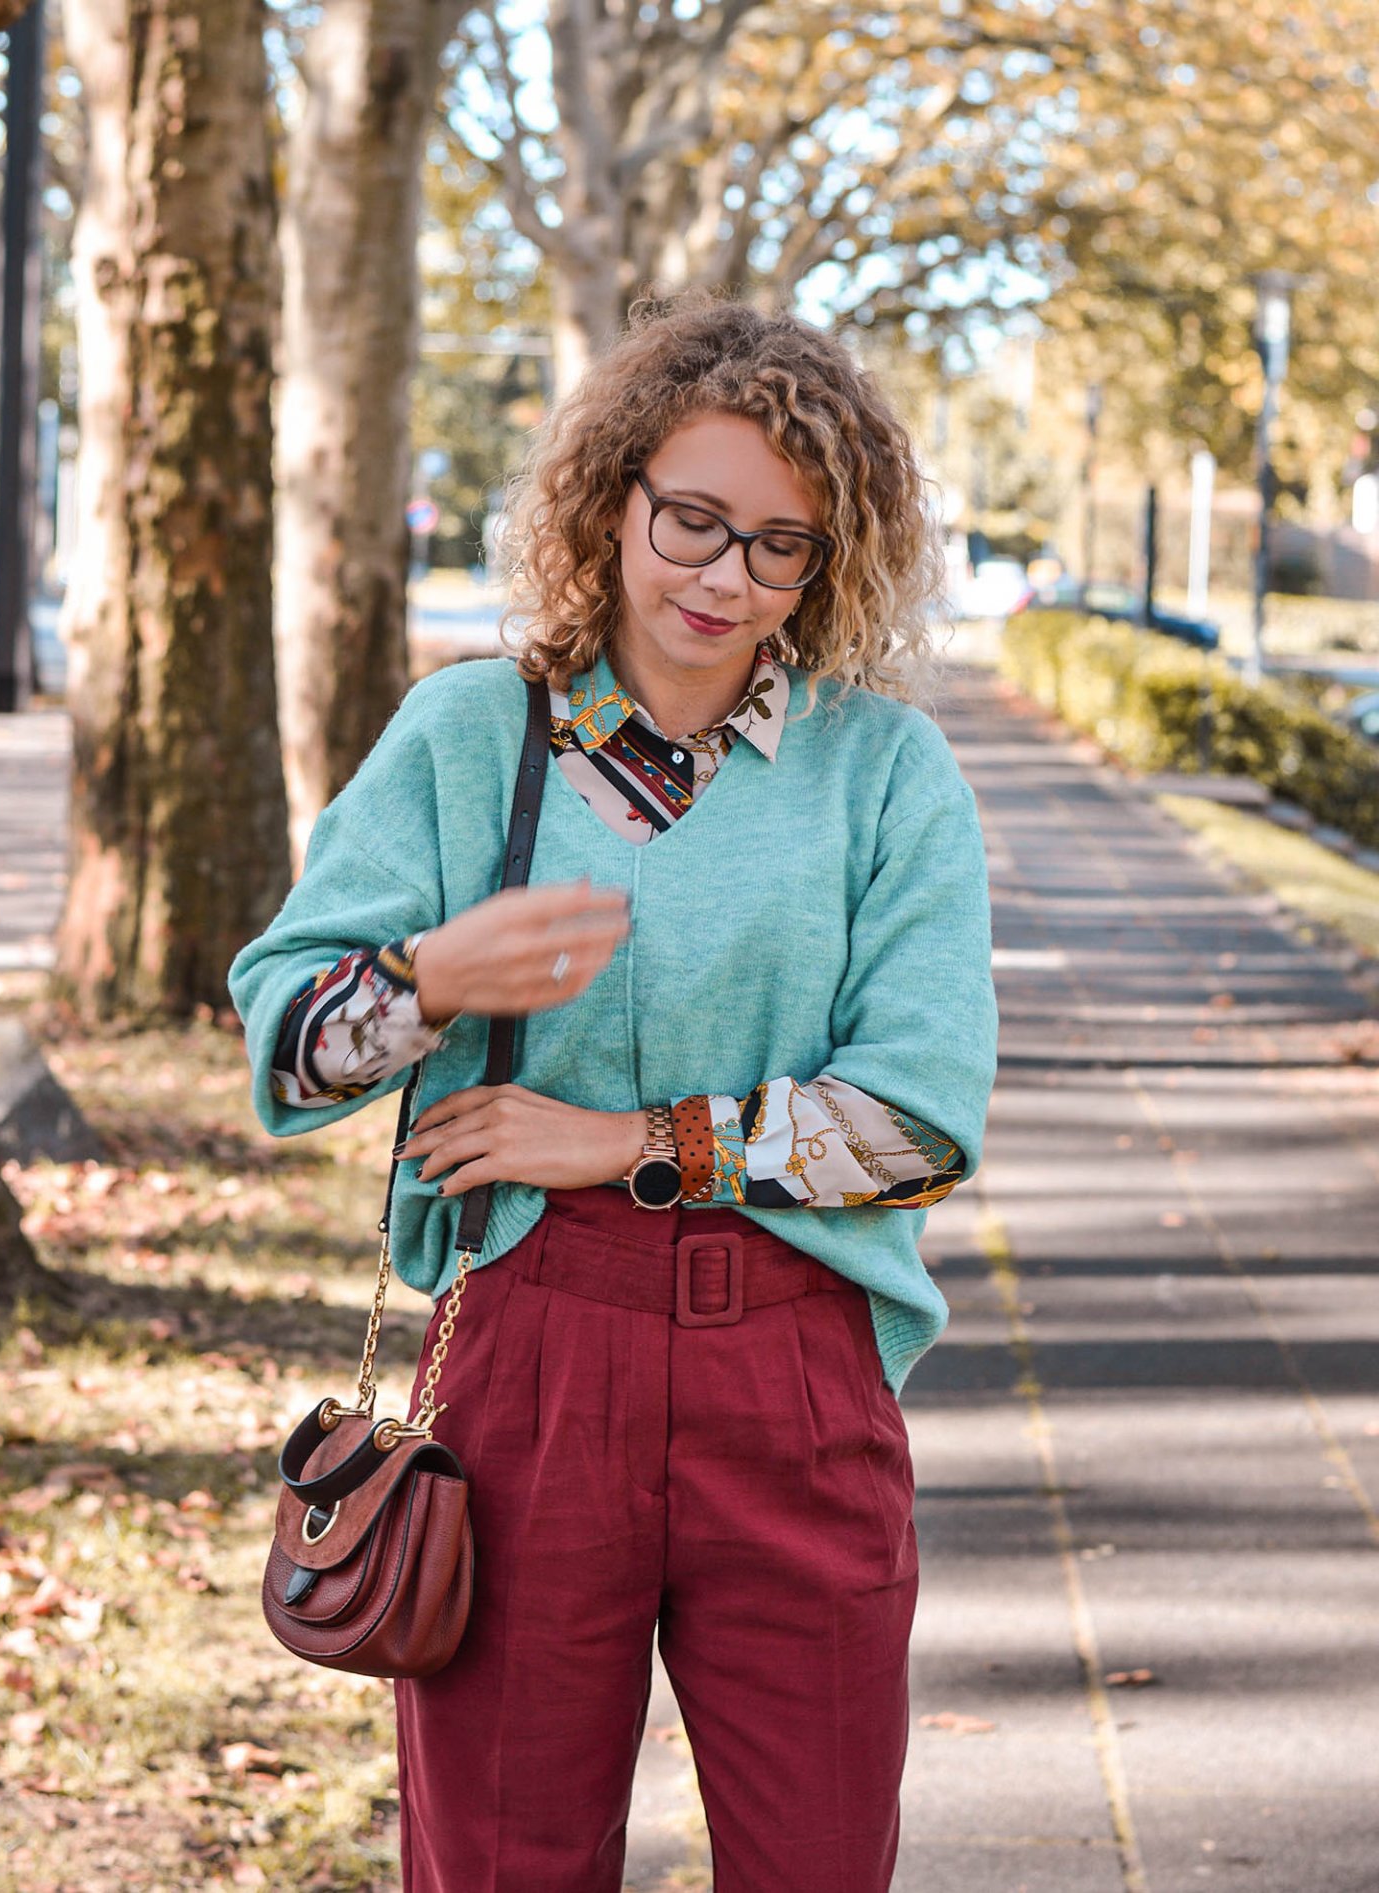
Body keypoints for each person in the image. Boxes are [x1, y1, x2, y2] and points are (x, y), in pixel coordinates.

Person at [228, 287, 998, 1893]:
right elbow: (287, 1044)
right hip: (528, 1362)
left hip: (794, 1368)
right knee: (502, 1861)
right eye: (694, 520)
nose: (726, 576)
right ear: (616, 498)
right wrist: (434, 978)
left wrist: (628, 1145)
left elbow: (921, 1118)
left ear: (828, 559)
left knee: (818, 1862)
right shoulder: (469, 736)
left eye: (779, 544)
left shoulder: (885, 771)